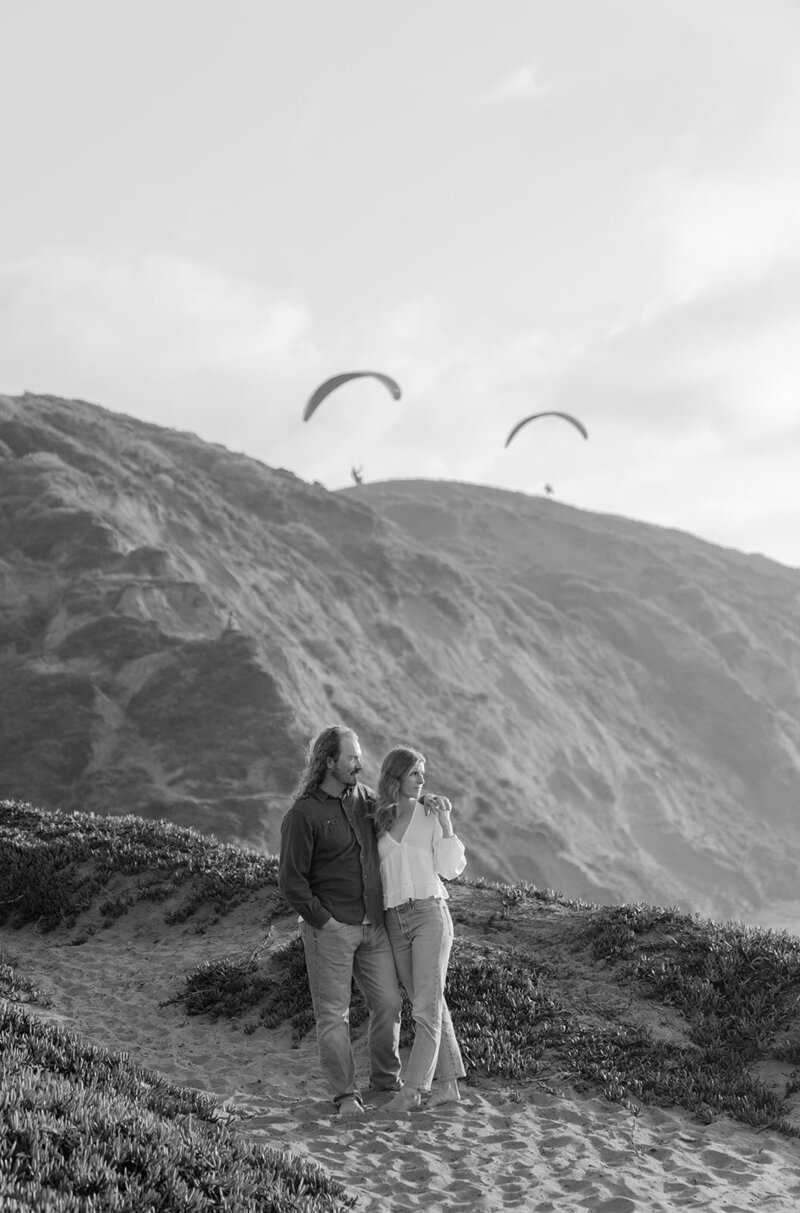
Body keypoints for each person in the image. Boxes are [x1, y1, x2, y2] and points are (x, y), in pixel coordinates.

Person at [278, 725, 403, 1116]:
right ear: (329, 761)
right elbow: (290, 880)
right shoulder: (303, 814)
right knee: (333, 1015)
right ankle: (346, 1095)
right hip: (330, 930)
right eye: (351, 757)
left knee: (389, 1003)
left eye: (359, 756)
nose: (359, 764)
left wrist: (427, 804)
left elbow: (399, 820)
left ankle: (385, 1081)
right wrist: (324, 921)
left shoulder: (364, 799)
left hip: (373, 925)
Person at [372, 744, 467, 1113]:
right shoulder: (378, 817)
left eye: (423, 773)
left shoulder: (431, 814)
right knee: (429, 1004)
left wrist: (446, 826)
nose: (422, 779)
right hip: (394, 920)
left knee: (425, 1008)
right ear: (395, 776)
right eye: (415, 773)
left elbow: (451, 868)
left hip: (429, 914)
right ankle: (447, 1088)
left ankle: (412, 1091)